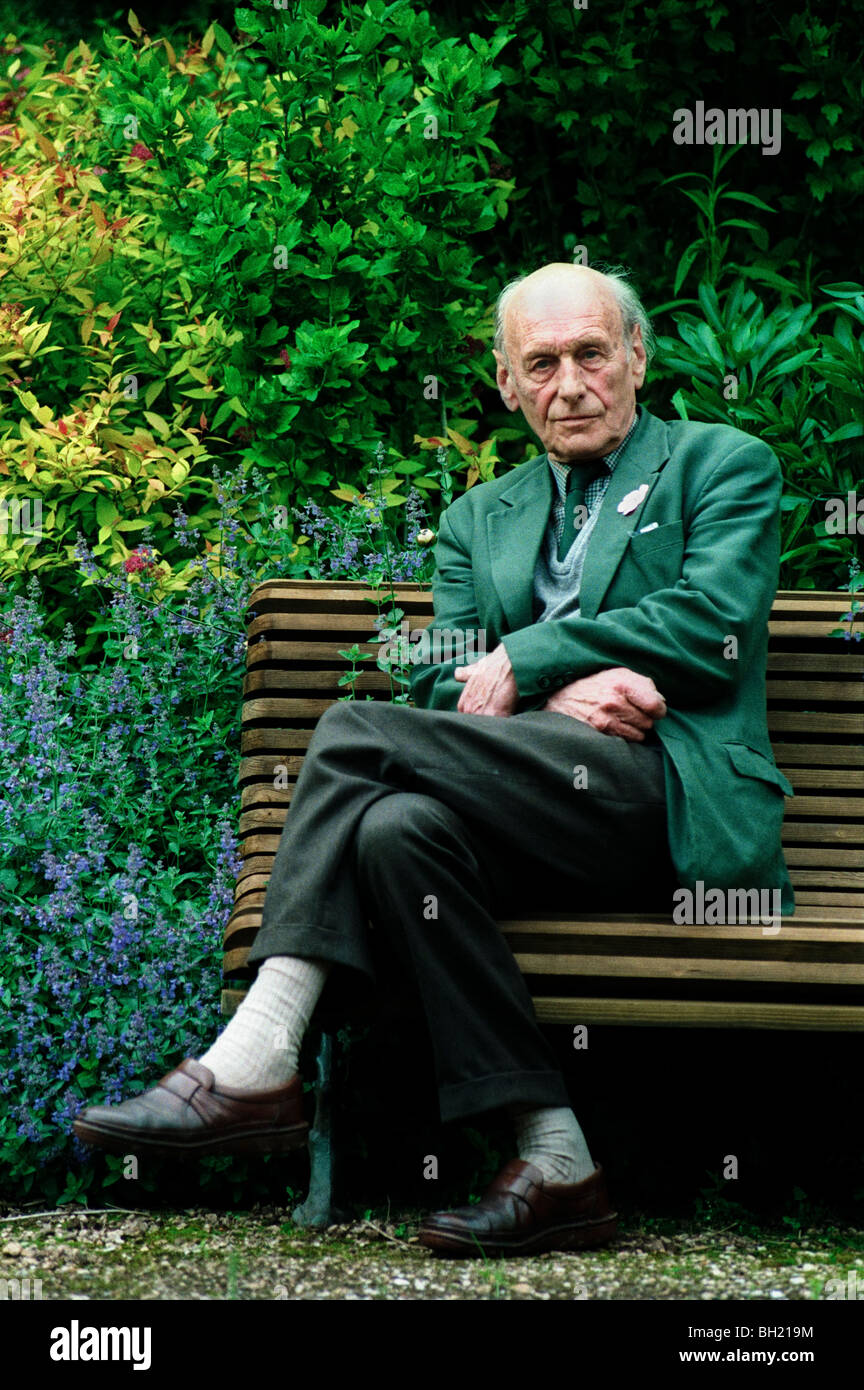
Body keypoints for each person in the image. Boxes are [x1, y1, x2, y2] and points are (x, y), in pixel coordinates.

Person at [74, 262, 793, 1258]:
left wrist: (530, 654)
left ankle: (256, 1055)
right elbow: (443, 680)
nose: (571, 382)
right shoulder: (478, 519)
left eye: (592, 353)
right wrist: (551, 690)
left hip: (660, 795)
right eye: (541, 363)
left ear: (637, 355)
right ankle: (558, 1163)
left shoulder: (722, 465)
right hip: (526, 806)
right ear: (506, 382)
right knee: (395, 829)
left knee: (352, 733)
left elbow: (711, 623)